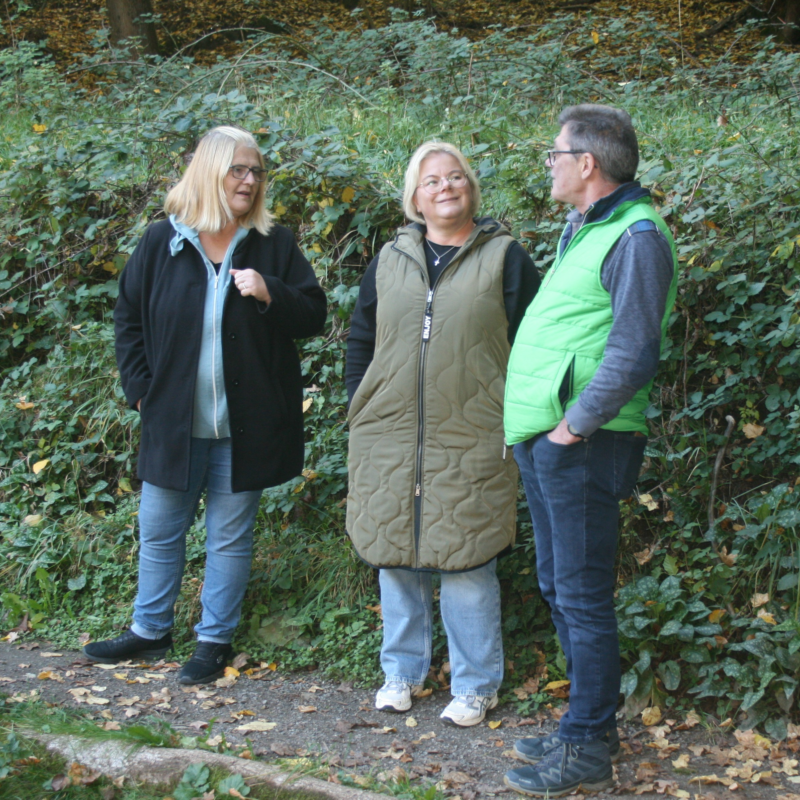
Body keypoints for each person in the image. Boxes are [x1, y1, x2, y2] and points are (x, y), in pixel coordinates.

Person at [83, 126, 327, 684]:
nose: (249, 180)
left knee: (229, 537)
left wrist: (270, 291)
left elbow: (314, 315)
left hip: (246, 425)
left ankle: (213, 641)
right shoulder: (161, 241)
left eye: (256, 171)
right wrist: (141, 389)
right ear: (209, 171)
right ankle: (150, 630)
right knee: (159, 529)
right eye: (238, 169)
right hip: (173, 420)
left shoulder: (273, 243)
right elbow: (128, 318)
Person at [502, 105, 678, 796]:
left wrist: (570, 428)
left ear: (587, 163)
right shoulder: (588, 226)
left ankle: (587, 745)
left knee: (581, 594)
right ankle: (588, 727)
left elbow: (633, 351)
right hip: (552, 440)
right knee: (560, 586)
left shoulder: (636, 235)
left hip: (583, 442)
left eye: (555, 153)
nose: (548, 164)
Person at [346, 141, 540, 727]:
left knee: (467, 561)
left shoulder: (505, 257)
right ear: (415, 197)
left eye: (455, 177)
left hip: (474, 432)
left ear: (471, 189)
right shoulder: (389, 260)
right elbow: (362, 337)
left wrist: (519, 416)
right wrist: (359, 404)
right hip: (388, 432)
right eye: (432, 181)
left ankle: (475, 686)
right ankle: (401, 674)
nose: (446, 187)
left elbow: (534, 343)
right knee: (395, 556)